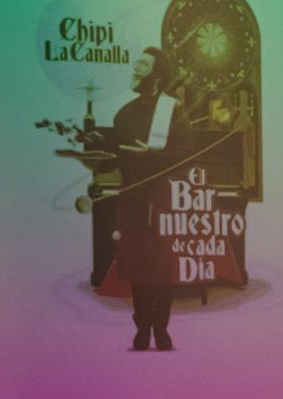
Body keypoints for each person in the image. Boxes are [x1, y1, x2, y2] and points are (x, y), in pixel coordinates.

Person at [112, 46, 188, 351]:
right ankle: (142, 328)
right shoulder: (124, 114)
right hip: (133, 199)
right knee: (137, 264)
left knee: (162, 265)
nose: (136, 68)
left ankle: (161, 329)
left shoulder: (173, 110)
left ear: (156, 74)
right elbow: (116, 157)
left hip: (162, 197)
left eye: (143, 64)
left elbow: (186, 155)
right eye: (137, 63)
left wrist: (152, 155)